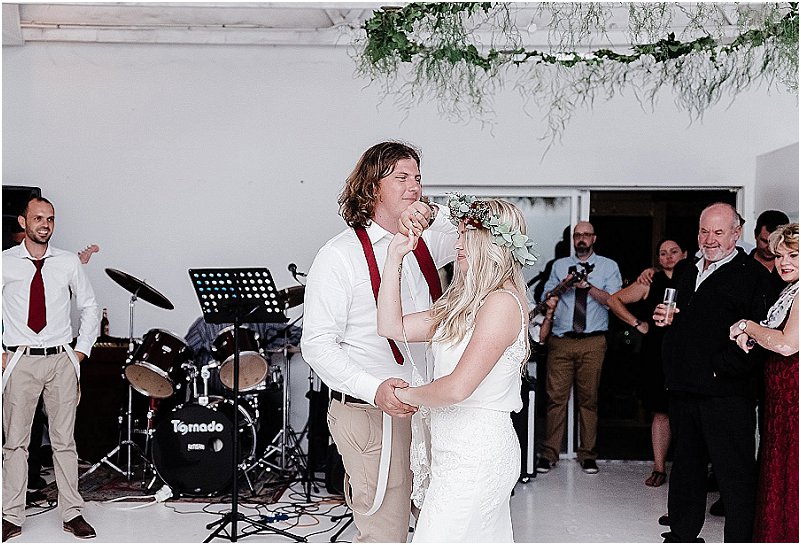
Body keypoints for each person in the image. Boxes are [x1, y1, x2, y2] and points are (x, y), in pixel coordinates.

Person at [300, 141, 457, 542]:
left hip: (426, 407)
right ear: (372, 188)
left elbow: (474, 229)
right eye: (401, 178)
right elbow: (317, 344)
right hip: (371, 412)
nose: (414, 187)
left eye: (417, 178)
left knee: (436, 524)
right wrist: (375, 389)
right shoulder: (339, 256)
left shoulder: (425, 243)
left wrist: (432, 212)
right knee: (386, 532)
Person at [376, 194, 537, 542]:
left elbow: (457, 388)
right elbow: (391, 326)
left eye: (468, 235)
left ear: (494, 242)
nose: (458, 244)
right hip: (453, 451)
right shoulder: (464, 304)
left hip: (477, 455)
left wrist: (402, 396)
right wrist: (394, 257)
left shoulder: (502, 303)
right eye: (459, 233)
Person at [654, 202, 772, 543]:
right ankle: (682, 534)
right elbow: (689, 320)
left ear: (736, 234)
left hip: (727, 393)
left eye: (718, 232)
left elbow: (759, 335)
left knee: (734, 474)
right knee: (686, 467)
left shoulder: (754, 277)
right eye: (704, 231)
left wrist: (723, 369)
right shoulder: (686, 270)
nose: (709, 239)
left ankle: (738, 540)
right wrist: (666, 320)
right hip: (685, 387)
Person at [2, 197, 100, 541]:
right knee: (15, 443)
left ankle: (72, 513)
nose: (45, 224)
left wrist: (80, 352)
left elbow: (89, 306)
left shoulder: (68, 262)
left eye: (51, 219)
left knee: (64, 442)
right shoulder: (5, 262)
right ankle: (11, 515)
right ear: (23, 221)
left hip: (60, 360)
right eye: (39, 218)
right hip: (21, 360)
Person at [728, 222, 798, 543]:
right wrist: (754, 335)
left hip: (795, 396)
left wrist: (746, 325)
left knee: (790, 471)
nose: (784, 262)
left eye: (793, 255)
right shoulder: (790, 290)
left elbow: (786, 344)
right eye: (780, 256)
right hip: (783, 397)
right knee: (779, 466)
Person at [537, 221, 622, 474]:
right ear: (572, 240)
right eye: (577, 236)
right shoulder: (559, 266)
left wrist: (588, 287)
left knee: (589, 400)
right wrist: (563, 285)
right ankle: (549, 454)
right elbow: (545, 299)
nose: (581, 239)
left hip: (593, 341)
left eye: (586, 235)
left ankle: (587, 454)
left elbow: (614, 301)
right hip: (561, 341)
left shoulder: (608, 266)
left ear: (594, 238)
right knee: (555, 400)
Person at [607, 239, 688, 487]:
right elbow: (613, 300)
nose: (668, 256)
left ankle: (687, 471)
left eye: (674, 251)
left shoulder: (695, 278)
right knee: (660, 410)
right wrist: (637, 324)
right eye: (663, 253)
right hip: (657, 353)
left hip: (686, 353)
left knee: (687, 412)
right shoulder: (650, 281)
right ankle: (659, 468)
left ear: (685, 254)